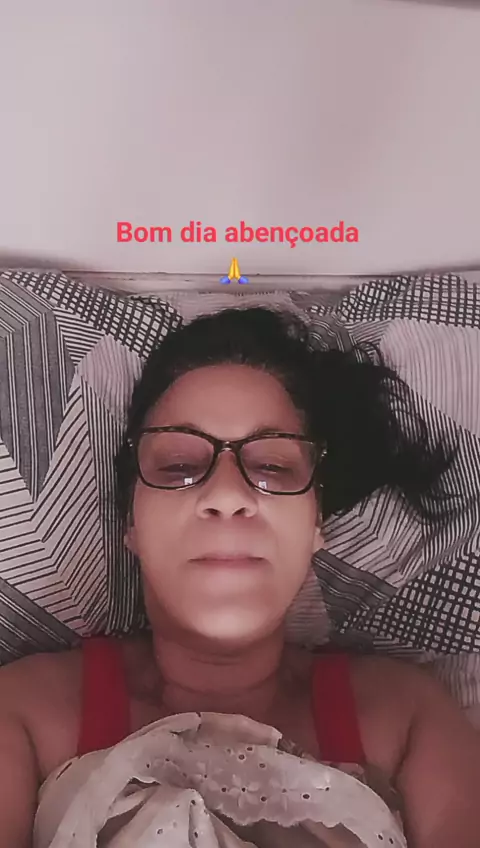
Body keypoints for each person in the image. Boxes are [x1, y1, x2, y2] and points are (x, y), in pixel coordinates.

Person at [0, 306, 479, 847]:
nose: (228, 496)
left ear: (316, 523)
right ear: (132, 523)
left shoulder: (407, 719)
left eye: (273, 467)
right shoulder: (24, 715)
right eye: (179, 466)